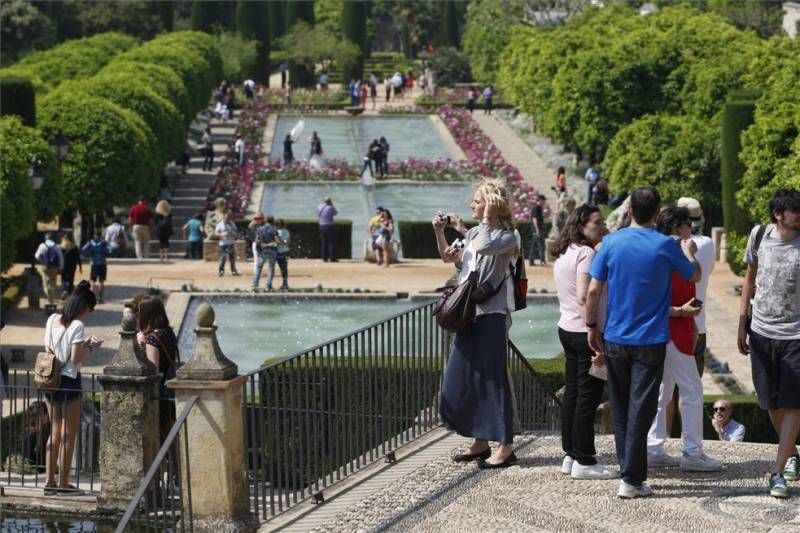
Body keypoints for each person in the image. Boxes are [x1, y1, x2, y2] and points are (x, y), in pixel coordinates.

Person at [585, 186, 701, 499]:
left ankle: (630, 474)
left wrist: (591, 325)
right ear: (656, 211)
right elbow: (692, 276)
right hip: (649, 339)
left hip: (615, 336)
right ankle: (632, 479)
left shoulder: (610, 242)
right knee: (642, 408)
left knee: (622, 406)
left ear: (631, 210)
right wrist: (690, 254)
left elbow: (594, 290)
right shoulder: (665, 245)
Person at [434, 178, 519, 468]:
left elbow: (484, 245)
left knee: (493, 379)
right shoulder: (473, 234)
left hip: (492, 315)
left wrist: (487, 218)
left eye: (478, 200)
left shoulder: (508, 237)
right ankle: (480, 440)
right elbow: (456, 263)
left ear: (493, 204)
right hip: (470, 313)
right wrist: (440, 234)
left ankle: (505, 445)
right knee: (462, 377)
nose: (472, 204)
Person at [646, 206, 722, 472]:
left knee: (663, 390)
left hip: (666, 330)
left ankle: (654, 448)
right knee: (691, 390)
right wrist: (691, 255)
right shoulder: (676, 252)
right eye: (688, 224)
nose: (692, 229)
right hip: (674, 328)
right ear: (678, 227)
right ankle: (692, 452)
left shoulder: (658, 250)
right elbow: (695, 276)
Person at [737, 188, 800, 499]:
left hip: (796, 336)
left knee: (793, 403)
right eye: (795, 211)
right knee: (770, 402)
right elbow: (749, 278)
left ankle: (777, 473)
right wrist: (741, 323)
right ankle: (792, 456)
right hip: (761, 331)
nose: (799, 215)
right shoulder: (759, 235)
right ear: (779, 213)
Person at [553, 204, 616, 479]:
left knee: (574, 393)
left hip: (566, 328)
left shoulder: (566, 251)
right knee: (587, 397)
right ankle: (585, 460)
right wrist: (593, 329)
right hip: (583, 331)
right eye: (597, 223)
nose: (602, 226)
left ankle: (570, 454)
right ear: (581, 226)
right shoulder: (587, 253)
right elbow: (583, 294)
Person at [42, 281, 101, 495]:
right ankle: (64, 483)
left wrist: (80, 343)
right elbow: (75, 360)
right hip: (69, 381)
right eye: (90, 310)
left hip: (50, 379)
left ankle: (49, 481)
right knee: (69, 432)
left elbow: (52, 349)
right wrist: (92, 348)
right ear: (84, 307)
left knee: (54, 431)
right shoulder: (77, 325)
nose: (88, 314)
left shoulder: (51, 319)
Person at [664, 197, 716, 433]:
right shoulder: (704, 244)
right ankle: (690, 444)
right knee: (691, 390)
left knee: (664, 392)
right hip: (694, 324)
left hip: (669, 323)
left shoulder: (666, 245)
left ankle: (661, 442)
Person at [135, 296, 180, 448]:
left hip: (159, 393)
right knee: (171, 433)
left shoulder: (152, 338)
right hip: (170, 388)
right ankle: (174, 469)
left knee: (160, 435)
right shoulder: (169, 332)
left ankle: (165, 470)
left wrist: (141, 346)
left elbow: (153, 369)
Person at [81, 229, 110, 303]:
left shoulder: (90, 242)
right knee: (101, 281)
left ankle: (93, 298)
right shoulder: (103, 242)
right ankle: (100, 298)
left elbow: (83, 249)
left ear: (94, 235)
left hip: (94, 263)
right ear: (101, 235)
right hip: (102, 263)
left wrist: (89, 254)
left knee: (93, 281)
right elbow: (108, 250)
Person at [35, 232, 64, 304]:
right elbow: (61, 258)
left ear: (46, 238)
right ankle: (52, 298)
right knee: (53, 282)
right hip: (54, 268)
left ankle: (49, 298)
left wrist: (42, 261)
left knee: (45, 283)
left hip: (45, 267)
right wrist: (61, 267)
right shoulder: (56, 246)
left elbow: (37, 256)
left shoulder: (42, 245)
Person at [252, 214, 278, 290]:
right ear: (273, 221)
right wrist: (268, 244)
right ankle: (268, 286)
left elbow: (257, 241)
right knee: (271, 269)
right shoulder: (274, 229)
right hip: (272, 251)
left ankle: (255, 285)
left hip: (262, 251)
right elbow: (277, 241)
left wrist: (262, 245)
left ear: (266, 220)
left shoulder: (259, 229)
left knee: (259, 268)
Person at [215, 212, 240, 277]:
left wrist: (233, 234)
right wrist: (222, 235)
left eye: (229, 217)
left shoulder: (232, 223)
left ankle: (233, 271)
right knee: (223, 258)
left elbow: (236, 232)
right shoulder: (220, 224)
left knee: (232, 258)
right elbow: (216, 233)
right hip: (223, 244)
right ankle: (221, 271)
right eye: (226, 218)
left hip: (231, 243)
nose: (228, 219)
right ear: (223, 217)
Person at [59, 234, 82, 299]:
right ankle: (70, 294)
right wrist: (80, 267)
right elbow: (78, 258)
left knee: (63, 279)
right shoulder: (74, 247)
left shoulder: (61, 247)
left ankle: (64, 290)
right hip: (72, 266)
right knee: (71, 280)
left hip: (63, 265)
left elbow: (58, 257)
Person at [529, 194, 547, 267]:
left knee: (535, 246)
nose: (544, 202)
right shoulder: (536, 208)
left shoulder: (539, 208)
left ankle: (531, 261)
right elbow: (534, 219)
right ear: (540, 200)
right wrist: (537, 230)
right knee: (541, 246)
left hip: (537, 230)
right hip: (537, 230)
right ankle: (542, 261)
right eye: (543, 200)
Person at [318, 197, 338, 262]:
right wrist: (332, 205)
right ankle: (332, 258)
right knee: (331, 242)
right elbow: (335, 213)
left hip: (321, 226)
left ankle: (324, 258)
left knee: (324, 242)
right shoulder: (330, 207)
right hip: (329, 226)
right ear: (330, 201)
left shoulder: (320, 207)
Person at [275, 219, 291, 291]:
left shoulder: (276, 232)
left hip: (278, 251)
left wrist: (281, 241)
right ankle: (285, 283)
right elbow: (288, 242)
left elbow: (277, 242)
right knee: (284, 268)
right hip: (286, 251)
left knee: (280, 268)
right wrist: (284, 242)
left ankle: (284, 284)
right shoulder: (287, 231)